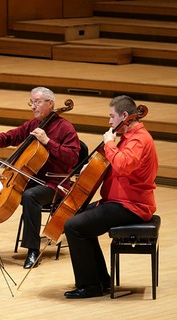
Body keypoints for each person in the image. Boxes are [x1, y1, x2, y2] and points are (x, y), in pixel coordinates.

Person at [0, 87, 80, 269]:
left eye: (37, 102)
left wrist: (48, 142)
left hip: (53, 183)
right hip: (29, 180)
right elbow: (13, 135)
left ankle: (32, 250)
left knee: (30, 197)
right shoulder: (33, 125)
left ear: (50, 103)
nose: (33, 107)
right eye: (31, 102)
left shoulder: (65, 128)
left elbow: (74, 157)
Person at [63, 95, 158, 299]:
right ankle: (101, 280)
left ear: (125, 115)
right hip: (117, 202)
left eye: (111, 116)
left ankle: (89, 286)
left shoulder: (139, 140)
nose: (109, 122)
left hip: (132, 206)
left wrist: (109, 144)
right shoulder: (128, 138)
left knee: (74, 226)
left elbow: (123, 165)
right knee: (78, 217)